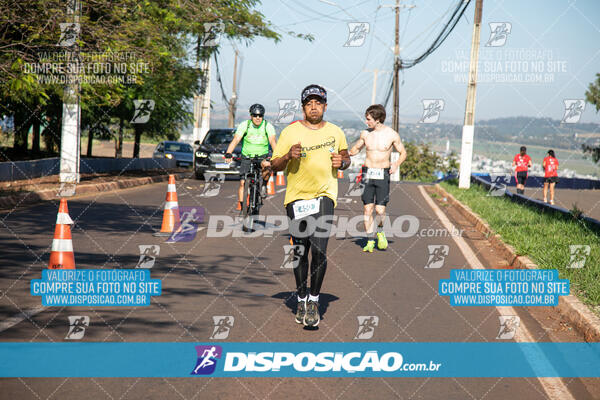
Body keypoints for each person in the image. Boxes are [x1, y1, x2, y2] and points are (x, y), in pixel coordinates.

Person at [271, 84, 350, 327]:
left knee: (320, 250)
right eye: (309, 103)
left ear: (325, 106)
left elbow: (345, 157)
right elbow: (274, 165)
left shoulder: (336, 132)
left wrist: (343, 161)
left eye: (318, 102)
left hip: (324, 196)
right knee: (300, 251)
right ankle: (302, 297)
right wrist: (287, 157)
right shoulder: (290, 132)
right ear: (303, 107)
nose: (314, 106)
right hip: (296, 198)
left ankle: (314, 301)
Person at [348, 104, 406, 253]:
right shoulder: (365, 134)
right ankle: (369, 240)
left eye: (369, 119)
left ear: (378, 119)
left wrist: (396, 164)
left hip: (382, 173)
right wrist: (345, 153)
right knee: (367, 209)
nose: (366, 122)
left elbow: (403, 153)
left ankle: (380, 232)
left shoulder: (392, 134)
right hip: (367, 173)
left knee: (380, 210)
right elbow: (355, 149)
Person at [225, 104, 277, 210]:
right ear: (251, 116)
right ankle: (242, 206)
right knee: (243, 182)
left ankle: (263, 185)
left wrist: (277, 155)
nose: (258, 118)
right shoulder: (245, 125)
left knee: (267, 166)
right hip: (247, 157)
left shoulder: (267, 126)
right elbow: (236, 140)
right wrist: (229, 152)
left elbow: (272, 141)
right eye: (255, 115)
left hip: (262, 156)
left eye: (260, 116)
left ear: (263, 116)